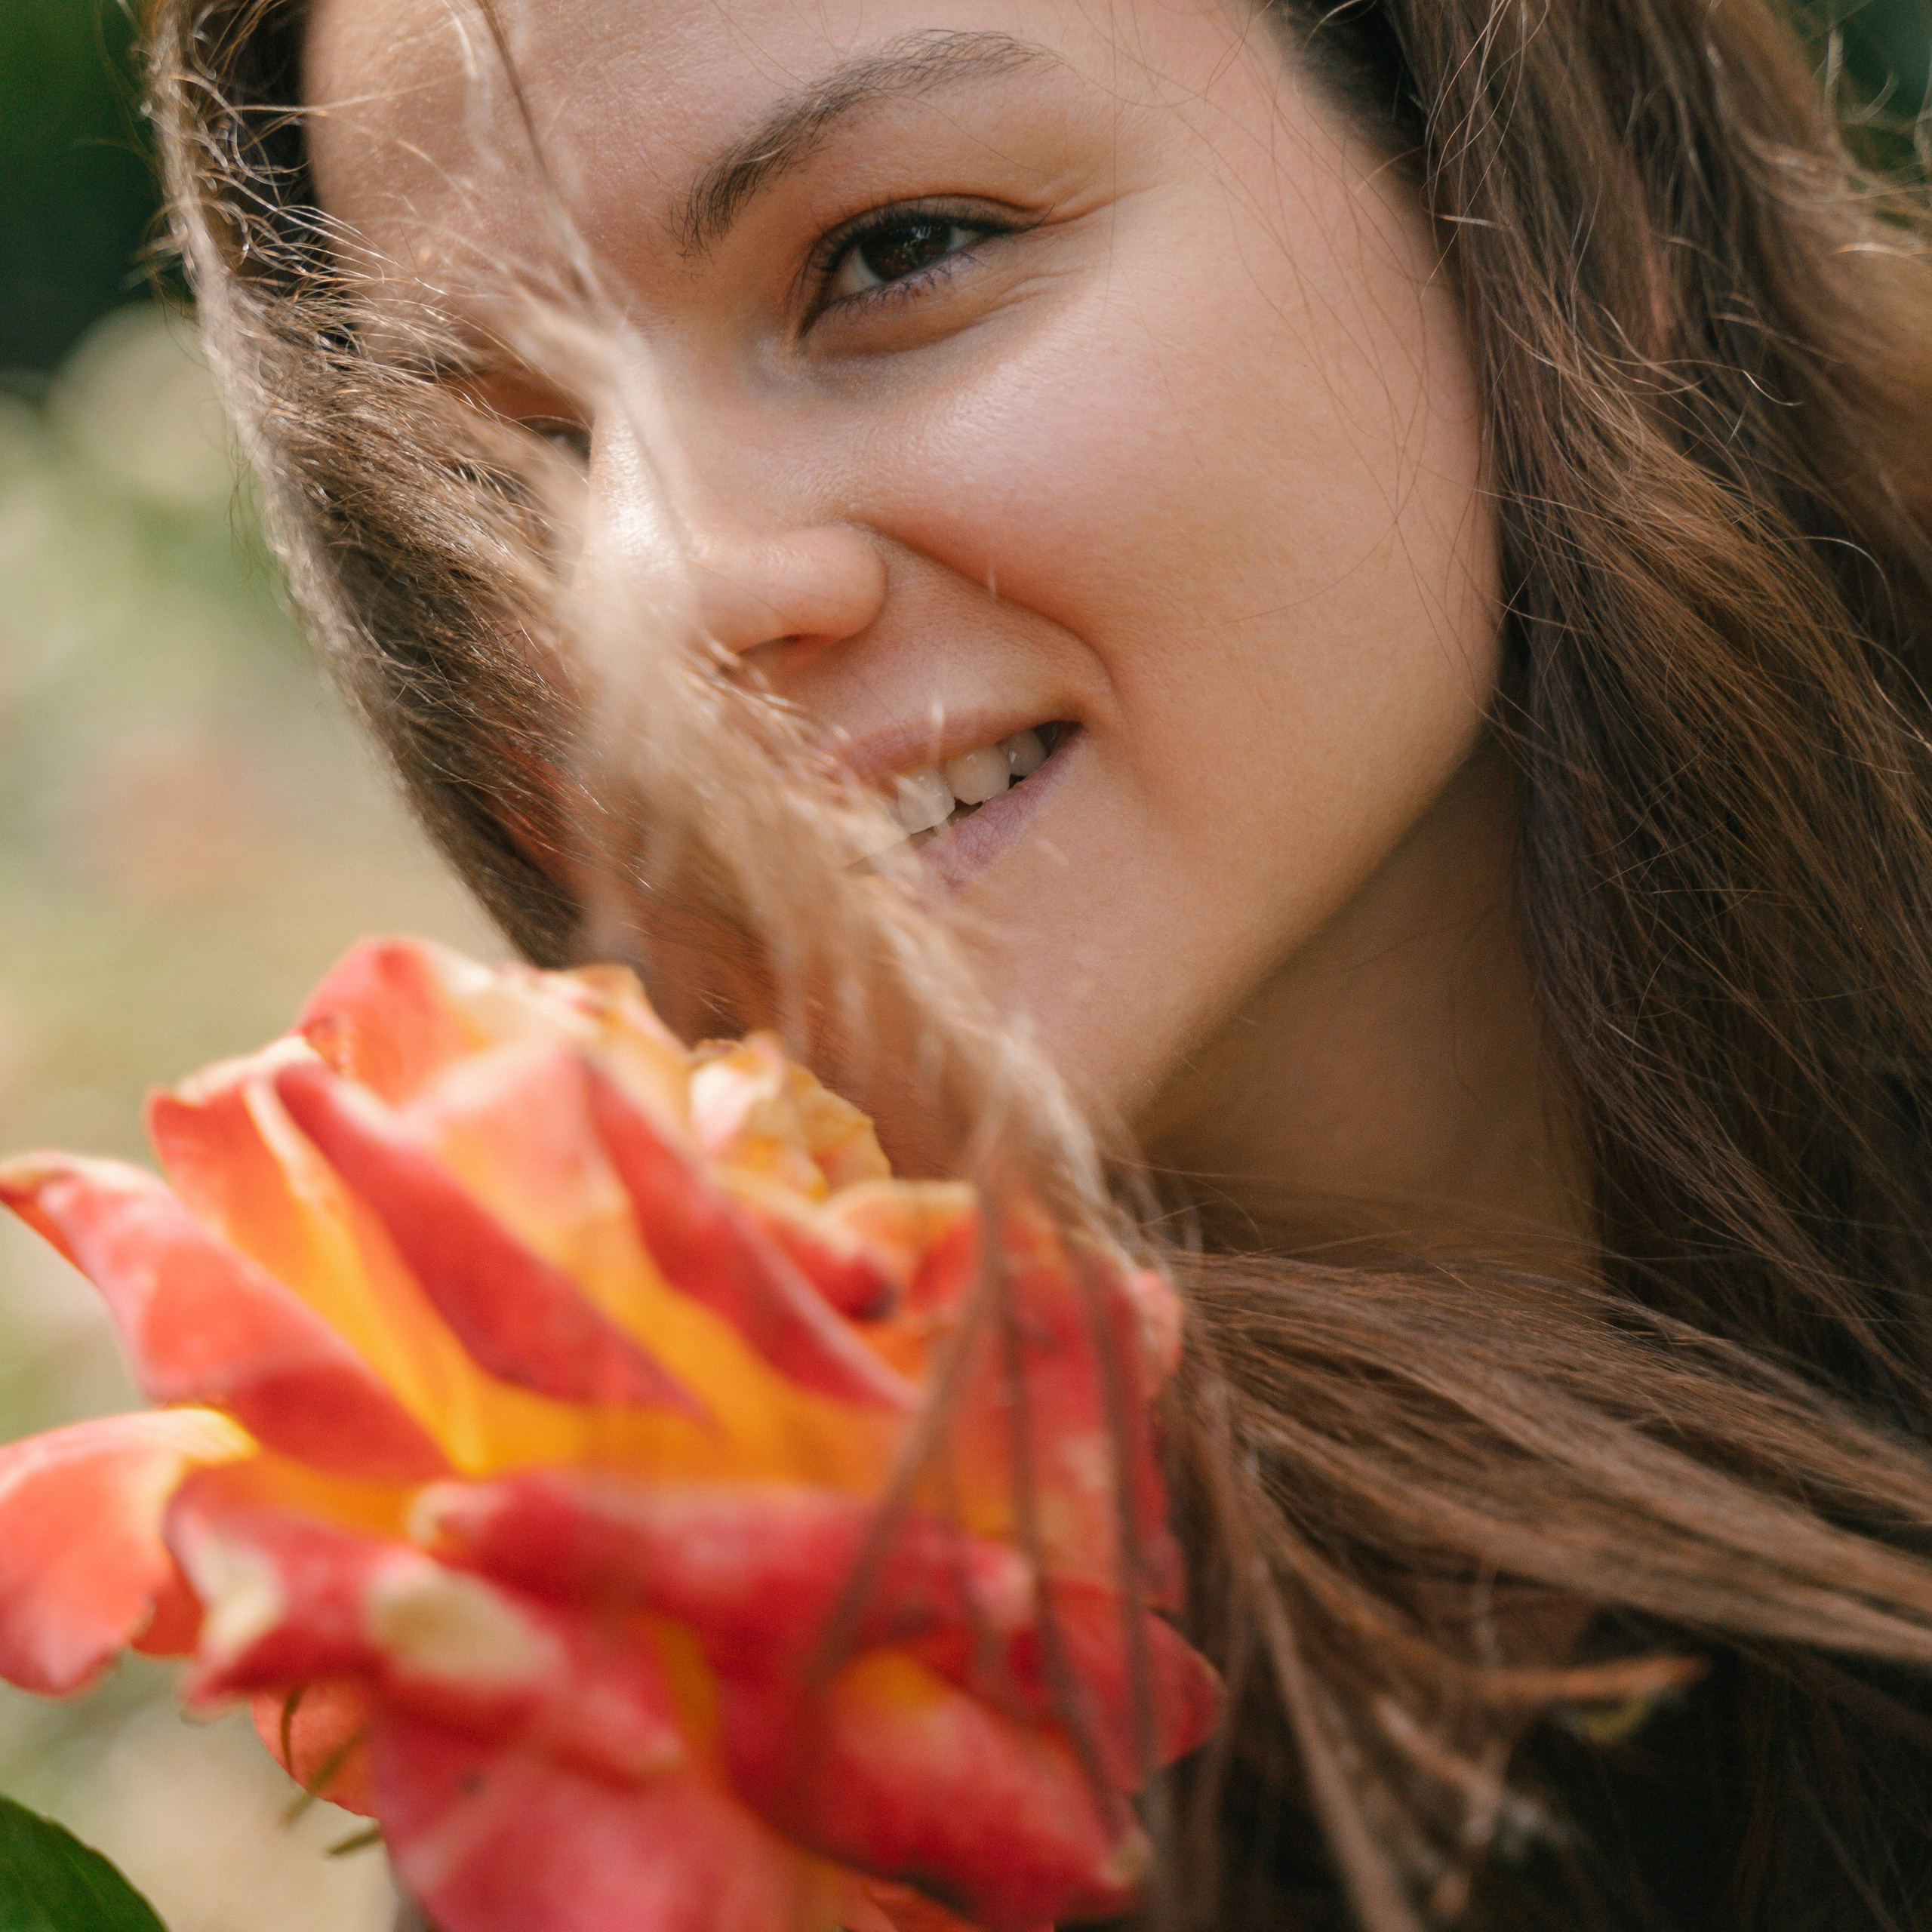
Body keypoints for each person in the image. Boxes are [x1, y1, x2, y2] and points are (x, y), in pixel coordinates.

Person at [141, 0, 1932, 1924]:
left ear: (1563, 205)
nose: (664, 591)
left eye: (894, 254)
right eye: (500, 464)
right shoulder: (688, 1756)